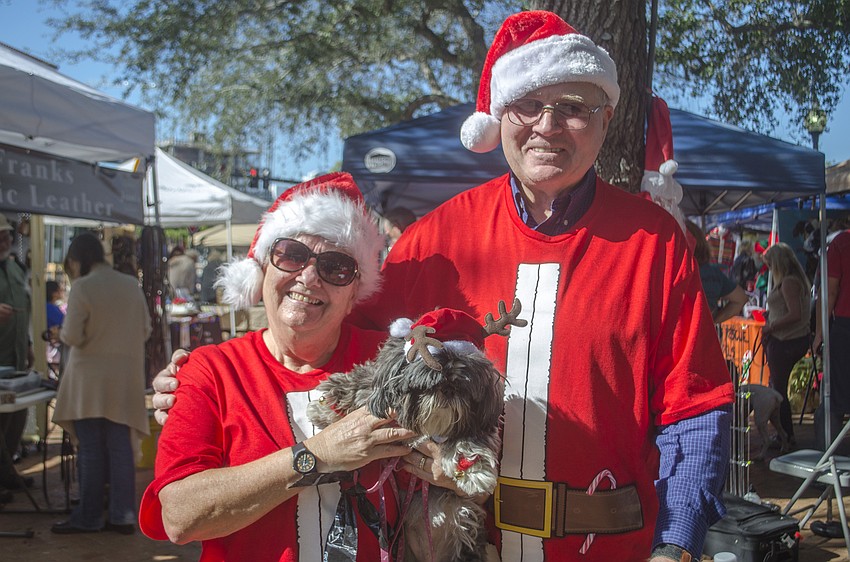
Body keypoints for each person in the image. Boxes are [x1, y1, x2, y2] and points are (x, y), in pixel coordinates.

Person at [152, 12, 734, 561]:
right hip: (465, 544)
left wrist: (678, 543)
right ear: (500, 117)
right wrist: (197, 387)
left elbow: (695, 407)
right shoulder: (437, 240)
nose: (548, 126)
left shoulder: (652, 241)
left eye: (573, 107)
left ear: (607, 118)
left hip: (610, 546)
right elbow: (317, 325)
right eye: (527, 105)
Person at [139, 173, 418, 561]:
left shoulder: (392, 362)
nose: (308, 277)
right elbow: (180, 516)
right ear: (262, 268)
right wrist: (317, 454)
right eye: (292, 255)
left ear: (355, 292)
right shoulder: (210, 371)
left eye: (336, 267)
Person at [51, 231, 152, 534]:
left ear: (79, 259)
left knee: (91, 450)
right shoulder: (130, 284)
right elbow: (145, 328)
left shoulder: (83, 286)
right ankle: (122, 515)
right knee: (121, 449)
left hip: (88, 383)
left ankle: (90, 516)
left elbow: (71, 336)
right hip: (124, 381)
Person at [760, 243, 812, 448]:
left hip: (786, 341)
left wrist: (771, 326)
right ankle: (784, 434)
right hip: (787, 339)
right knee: (777, 389)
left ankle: (786, 436)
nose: (769, 269)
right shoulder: (792, 281)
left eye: (771, 265)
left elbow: (795, 314)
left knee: (778, 391)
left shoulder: (789, 282)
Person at [0, 214, 34, 499]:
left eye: (7, 236)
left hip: (17, 357)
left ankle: (7, 471)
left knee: (17, 417)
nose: (5, 241)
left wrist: (30, 343)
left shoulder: (15, 268)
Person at [813, 227, 850, 449]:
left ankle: (826, 466)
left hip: (845, 328)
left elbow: (830, 292)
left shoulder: (842, 242)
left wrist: (820, 333)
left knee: (832, 402)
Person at [686, 221, 748, 324]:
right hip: (705, 335)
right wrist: (713, 321)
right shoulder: (713, 273)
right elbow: (740, 298)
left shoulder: (678, 274)